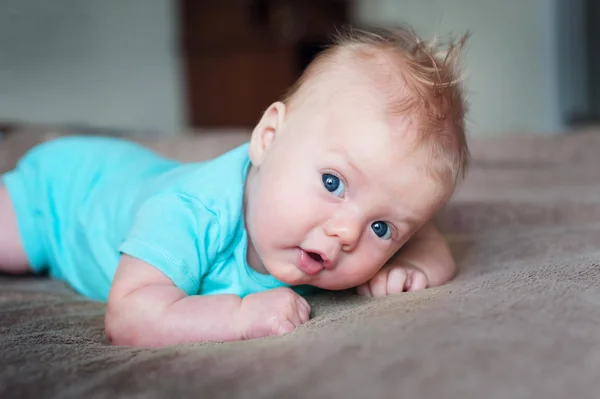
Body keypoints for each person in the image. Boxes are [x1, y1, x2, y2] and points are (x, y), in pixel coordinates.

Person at [0, 25, 469, 346]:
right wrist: (239, 318)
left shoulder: (338, 230)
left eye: (382, 229)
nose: (348, 233)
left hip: (132, 173)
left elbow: (428, 235)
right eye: (333, 182)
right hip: (61, 197)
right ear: (268, 138)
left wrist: (415, 270)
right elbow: (129, 317)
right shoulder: (190, 212)